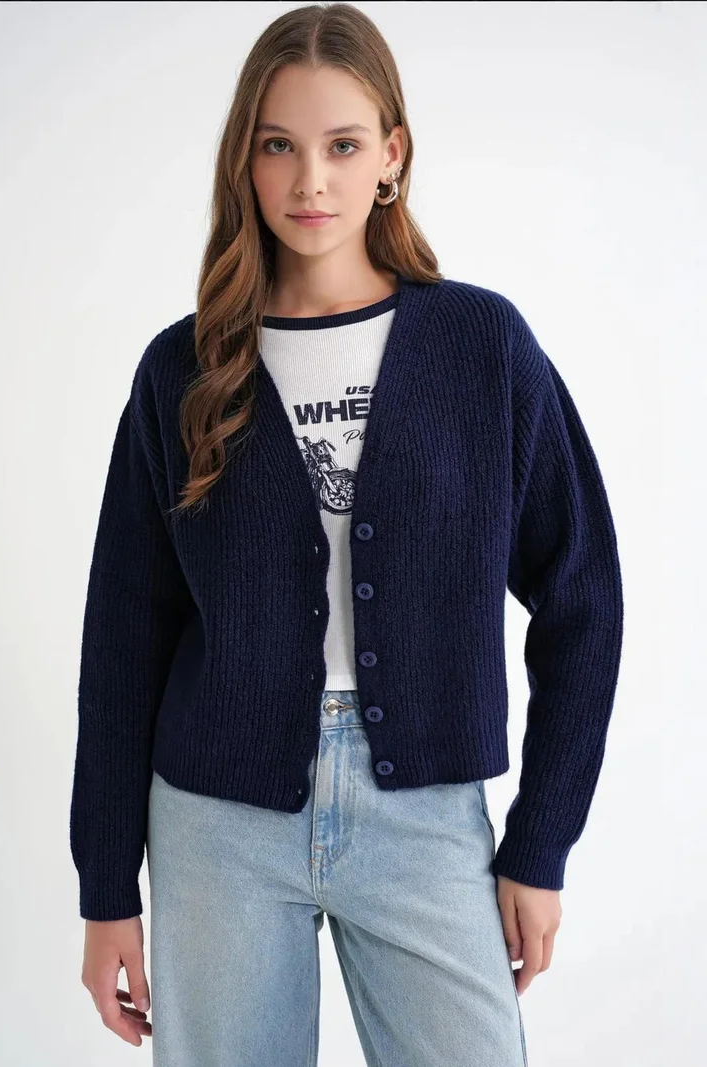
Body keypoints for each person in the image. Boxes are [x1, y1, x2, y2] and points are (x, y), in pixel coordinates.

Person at [69, 4, 624, 1064]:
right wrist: (105, 889)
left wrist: (541, 841)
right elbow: (123, 636)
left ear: (391, 156)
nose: (309, 181)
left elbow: (582, 596)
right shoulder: (183, 370)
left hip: (424, 817)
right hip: (217, 825)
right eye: (278, 145)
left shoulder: (480, 346)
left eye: (342, 145)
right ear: (244, 159)